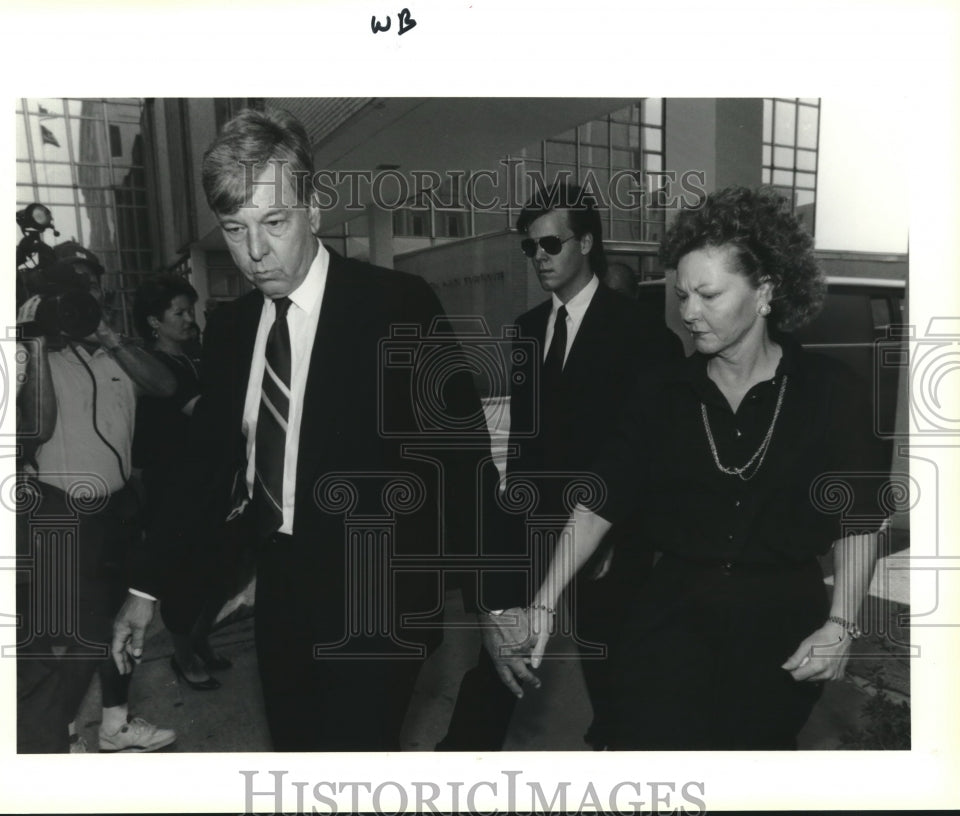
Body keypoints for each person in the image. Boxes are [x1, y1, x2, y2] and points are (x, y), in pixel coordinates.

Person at [112, 107, 494, 751]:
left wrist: (501, 598)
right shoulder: (234, 329)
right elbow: (202, 469)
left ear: (313, 209)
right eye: (235, 229)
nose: (255, 252)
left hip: (380, 601)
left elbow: (465, 459)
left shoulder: (396, 305)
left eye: (274, 223)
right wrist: (143, 587)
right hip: (282, 597)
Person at [524, 186, 889, 750]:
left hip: (782, 630)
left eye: (709, 295)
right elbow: (601, 498)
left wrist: (840, 625)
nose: (689, 312)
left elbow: (858, 519)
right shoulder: (662, 391)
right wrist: (545, 601)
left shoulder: (828, 393)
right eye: (682, 294)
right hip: (668, 620)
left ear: (765, 291)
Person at [438, 183, 682, 750]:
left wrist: (619, 534)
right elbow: (523, 444)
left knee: (614, 666)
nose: (540, 256)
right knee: (502, 655)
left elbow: (655, 454)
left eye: (551, 243)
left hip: (608, 534)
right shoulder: (526, 329)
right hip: (531, 528)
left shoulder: (639, 331)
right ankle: (457, 765)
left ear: (587, 242)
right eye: (531, 248)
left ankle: (622, 758)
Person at [15, 248, 178, 753]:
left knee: (124, 625)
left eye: (92, 288)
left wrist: (108, 336)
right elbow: (33, 427)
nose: (84, 300)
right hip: (63, 512)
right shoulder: (32, 357)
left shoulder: (115, 352)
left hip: (121, 508)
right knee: (73, 637)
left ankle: (114, 722)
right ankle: (55, 736)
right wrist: (36, 339)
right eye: (72, 289)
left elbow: (166, 385)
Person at [131, 274, 236, 691]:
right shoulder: (154, 366)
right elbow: (207, 412)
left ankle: (199, 640)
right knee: (182, 576)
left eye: (190, 311)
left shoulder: (193, 357)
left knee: (214, 570)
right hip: (173, 488)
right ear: (154, 322)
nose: (189, 320)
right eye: (179, 313)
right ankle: (183, 656)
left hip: (209, 482)